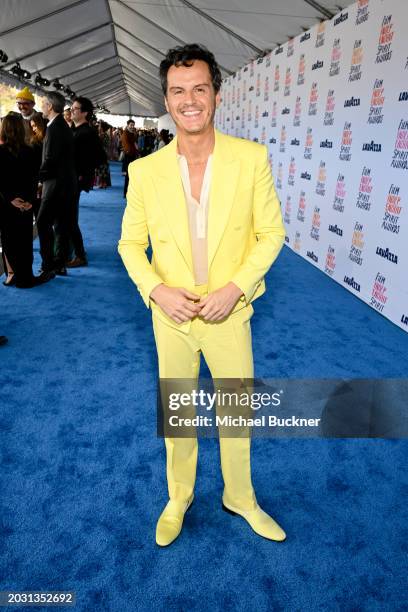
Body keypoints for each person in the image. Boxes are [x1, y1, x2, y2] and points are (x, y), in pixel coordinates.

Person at [118, 44, 287, 547]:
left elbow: (271, 233)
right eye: (178, 91)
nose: (189, 100)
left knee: (236, 412)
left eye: (199, 89)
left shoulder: (250, 158)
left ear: (215, 93)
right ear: (166, 102)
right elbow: (129, 244)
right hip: (170, 315)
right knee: (179, 413)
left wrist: (236, 288)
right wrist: (156, 291)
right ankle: (178, 496)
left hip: (229, 312)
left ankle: (241, 496)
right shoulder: (144, 172)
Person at [0, 112, 47, 288]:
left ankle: (12, 275)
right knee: (24, 240)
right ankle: (25, 276)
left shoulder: (0, 152)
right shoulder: (30, 150)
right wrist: (28, 200)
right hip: (26, 203)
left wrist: (11, 199)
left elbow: (1, 181)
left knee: (8, 240)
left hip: (6, 203)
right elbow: (34, 178)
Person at [36, 92, 76, 276]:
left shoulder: (54, 128)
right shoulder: (62, 126)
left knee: (43, 223)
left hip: (55, 186)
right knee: (61, 225)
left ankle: (48, 264)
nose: (41, 106)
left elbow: (50, 159)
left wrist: (37, 179)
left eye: (43, 103)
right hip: (64, 185)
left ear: (50, 106)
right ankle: (59, 264)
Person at [66, 96, 105, 267]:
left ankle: (80, 255)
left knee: (70, 219)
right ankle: (75, 251)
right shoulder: (77, 130)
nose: (71, 111)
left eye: (75, 109)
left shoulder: (87, 132)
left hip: (74, 180)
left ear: (84, 113)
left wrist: (82, 173)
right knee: (69, 218)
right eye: (72, 108)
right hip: (71, 179)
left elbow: (100, 157)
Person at [121, 119, 138, 197]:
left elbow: (135, 143)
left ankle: (130, 192)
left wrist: (137, 151)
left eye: (133, 125)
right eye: (131, 125)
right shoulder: (125, 133)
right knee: (128, 175)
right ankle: (126, 193)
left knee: (132, 175)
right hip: (129, 156)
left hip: (133, 155)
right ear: (127, 125)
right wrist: (129, 151)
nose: (132, 126)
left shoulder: (133, 133)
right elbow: (126, 145)